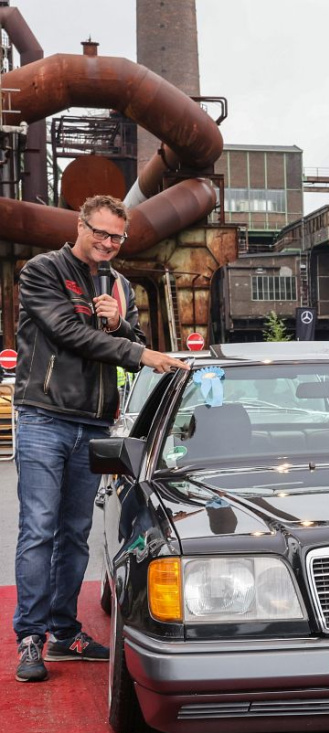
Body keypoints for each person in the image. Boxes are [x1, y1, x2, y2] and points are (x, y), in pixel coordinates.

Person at [13, 195, 191, 683]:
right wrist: (140, 353)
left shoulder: (120, 285)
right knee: (39, 529)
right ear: (81, 226)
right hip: (44, 415)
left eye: (117, 237)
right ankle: (30, 637)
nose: (109, 243)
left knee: (74, 533)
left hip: (93, 423)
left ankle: (64, 632)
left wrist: (119, 322)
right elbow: (68, 333)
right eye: (101, 233)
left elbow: (129, 337)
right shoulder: (43, 271)